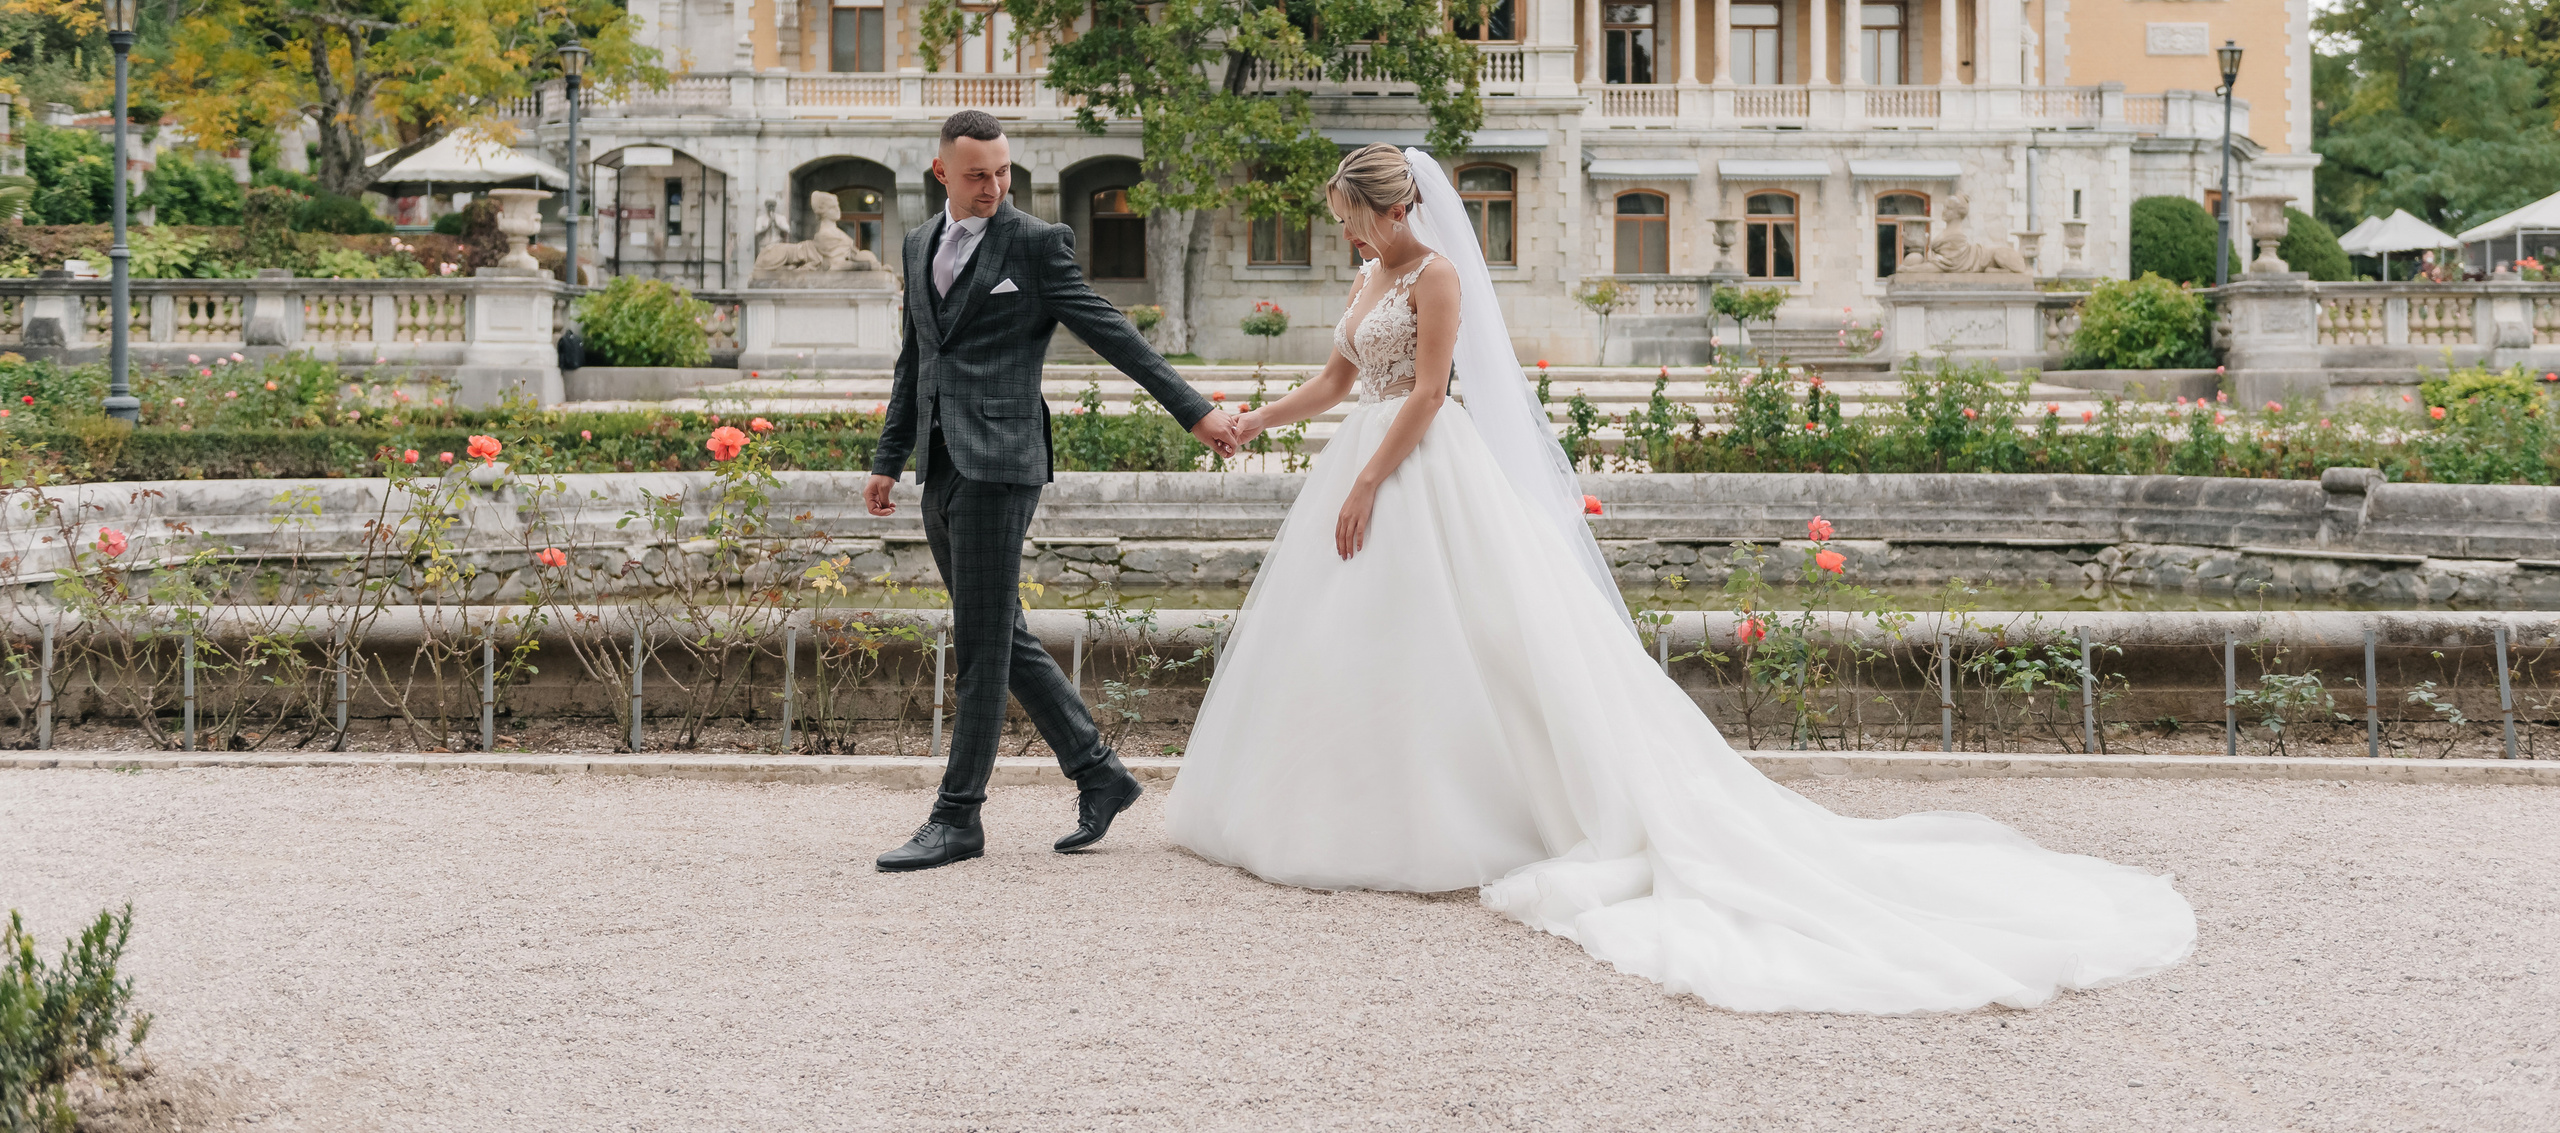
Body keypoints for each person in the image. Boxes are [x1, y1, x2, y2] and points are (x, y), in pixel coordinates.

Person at [1165, 144, 2194, 1015]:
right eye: (1344, 221)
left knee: (1464, 642)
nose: (1349, 234)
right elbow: (1344, 378)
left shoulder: (1433, 273)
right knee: (1353, 644)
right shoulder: (1368, 278)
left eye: (1355, 217)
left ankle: (1473, 816)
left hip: (1422, 469)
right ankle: (1336, 804)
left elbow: (1430, 391)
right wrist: (1260, 419)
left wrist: (1370, 482)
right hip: (1361, 454)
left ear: (1396, 207)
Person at [866, 110, 1242, 872]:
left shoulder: (1035, 244)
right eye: (977, 175)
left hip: (1003, 461)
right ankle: (1100, 772)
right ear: (940, 171)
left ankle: (958, 816)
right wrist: (888, 456)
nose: (994, 187)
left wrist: (1195, 411)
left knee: (978, 642)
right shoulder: (916, 243)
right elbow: (917, 358)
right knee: (997, 630)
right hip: (941, 463)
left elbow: (1110, 328)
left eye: (1003, 172)